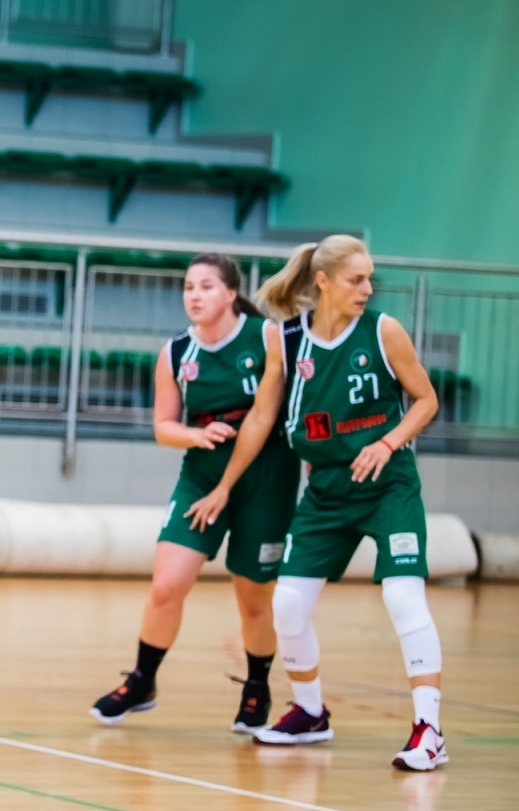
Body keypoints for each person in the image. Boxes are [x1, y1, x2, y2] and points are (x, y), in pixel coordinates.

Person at [196, 236, 447, 771]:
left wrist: (386, 442)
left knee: (404, 599)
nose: (368, 289)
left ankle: (429, 729)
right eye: (357, 279)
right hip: (326, 489)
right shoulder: (287, 341)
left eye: (370, 278)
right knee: (286, 606)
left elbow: (426, 400)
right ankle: (310, 713)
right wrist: (224, 485)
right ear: (324, 281)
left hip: (387, 483)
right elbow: (262, 418)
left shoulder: (384, 331)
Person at [90, 255, 299, 732]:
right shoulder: (176, 352)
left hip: (266, 478)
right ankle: (142, 680)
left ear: (230, 293)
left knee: (253, 599)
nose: (195, 295)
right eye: (188, 287)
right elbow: (164, 426)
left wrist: (228, 484)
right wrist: (196, 437)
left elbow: (268, 416)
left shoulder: (267, 338)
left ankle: (257, 688)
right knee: (167, 585)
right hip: (202, 475)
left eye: (206, 286)